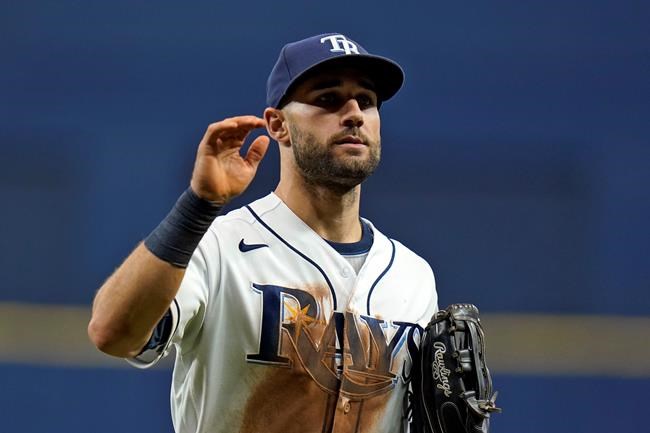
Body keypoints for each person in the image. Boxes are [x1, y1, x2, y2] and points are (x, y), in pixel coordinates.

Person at [88, 33, 438, 433]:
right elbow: (112, 333)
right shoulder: (218, 247)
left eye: (367, 101)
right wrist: (197, 206)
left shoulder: (413, 278)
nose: (354, 113)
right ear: (278, 125)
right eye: (328, 99)